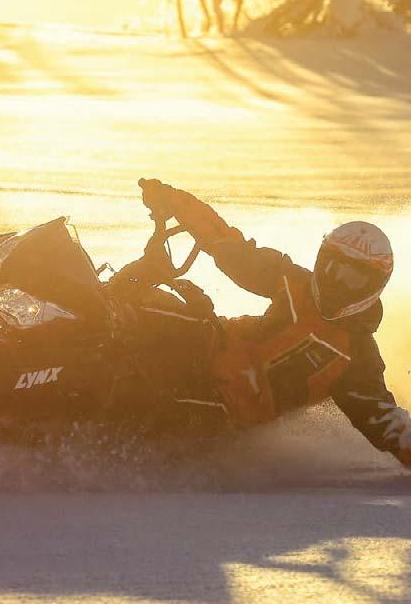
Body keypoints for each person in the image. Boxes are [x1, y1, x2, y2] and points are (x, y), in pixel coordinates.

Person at [137, 178, 411, 468]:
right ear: (322, 260)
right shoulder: (292, 281)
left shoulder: (356, 358)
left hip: (219, 409)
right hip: (208, 348)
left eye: (353, 279)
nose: (338, 283)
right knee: (149, 307)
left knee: (161, 391)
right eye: (333, 268)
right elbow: (227, 244)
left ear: (373, 287)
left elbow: (386, 420)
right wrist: (175, 201)